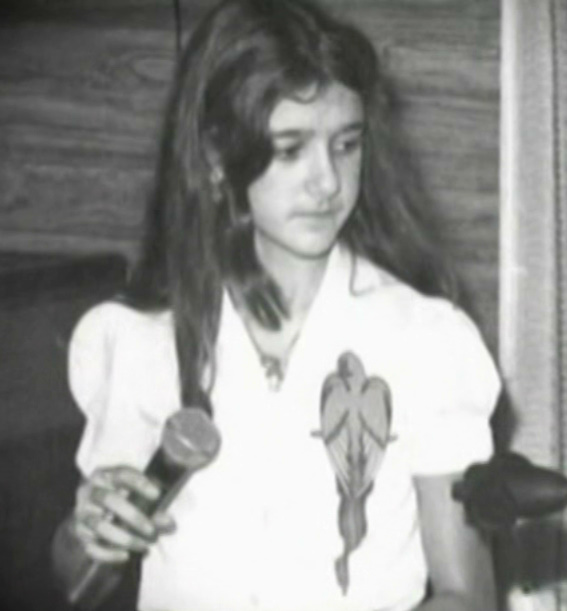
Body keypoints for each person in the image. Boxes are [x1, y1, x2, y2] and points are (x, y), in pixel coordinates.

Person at [51, 0, 501, 609]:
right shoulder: (141, 338)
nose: (328, 182)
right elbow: (78, 584)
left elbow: (467, 596)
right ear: (216, 158)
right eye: (290, 150)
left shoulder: (424, 338)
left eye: (346, 145)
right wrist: (86, 534)